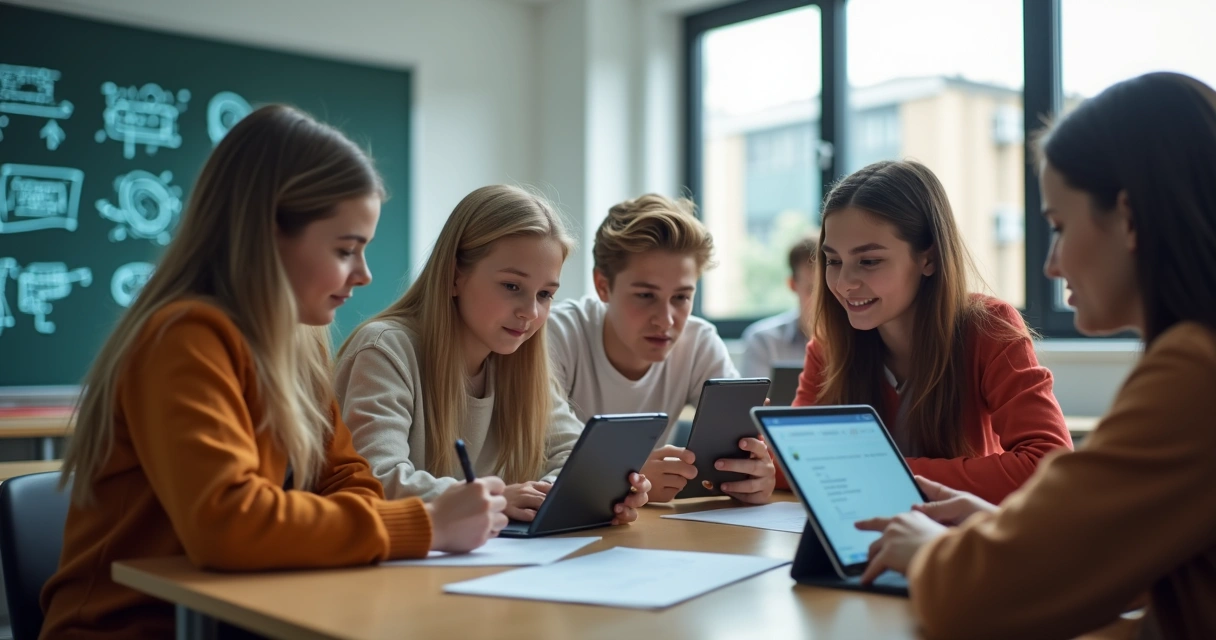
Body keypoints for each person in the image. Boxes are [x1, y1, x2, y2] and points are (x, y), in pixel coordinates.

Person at [40, 106, 507, 639]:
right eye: (344, 249)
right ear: (266, 235)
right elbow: (230, 525)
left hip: (250, 612)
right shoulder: (184, 338)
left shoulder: (297, 343)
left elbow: (348, 479)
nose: (363, 274)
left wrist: (303, 527)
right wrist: (426, 525)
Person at [857, 72, 1216, 640]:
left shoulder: (1194, 374)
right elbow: (1153, 571)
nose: (1050, 265)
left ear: (1128, 219)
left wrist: (933, 555)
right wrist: (1007, 530)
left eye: (1058, 226)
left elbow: (971, 599)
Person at [335, 185, 649, 523]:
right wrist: (495, 498)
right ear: (455, 275)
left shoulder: (521, 363)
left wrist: (557, 495)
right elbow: (375, 480)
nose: (530, 311)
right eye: (512, 287)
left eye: (544, 294)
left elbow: (577, 457)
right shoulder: (384, 349)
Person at [785, 159, 1072, 504]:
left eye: (869, 261)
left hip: (961, 544)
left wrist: (877, 472)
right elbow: (799, 457)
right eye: (833, 261)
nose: (844, 283)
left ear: (929, 258)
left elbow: (1048, 464)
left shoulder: (989, 327)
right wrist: (762, 465)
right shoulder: (831, 345)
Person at [546, 194, 775, 504]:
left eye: (681, 298)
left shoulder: (699, 341)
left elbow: (743, 449)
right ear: (602, 285)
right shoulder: (557, 334)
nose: (666, 320)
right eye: (645, 296)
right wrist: (628, 476)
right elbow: (540, 460)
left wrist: (755, 475)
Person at [739, 235, 817, 378]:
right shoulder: (763, 341)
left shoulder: (855, 339)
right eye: (811, 290)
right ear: (793, 285)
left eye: (827, 291)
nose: (821, 300)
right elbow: (753, 401)